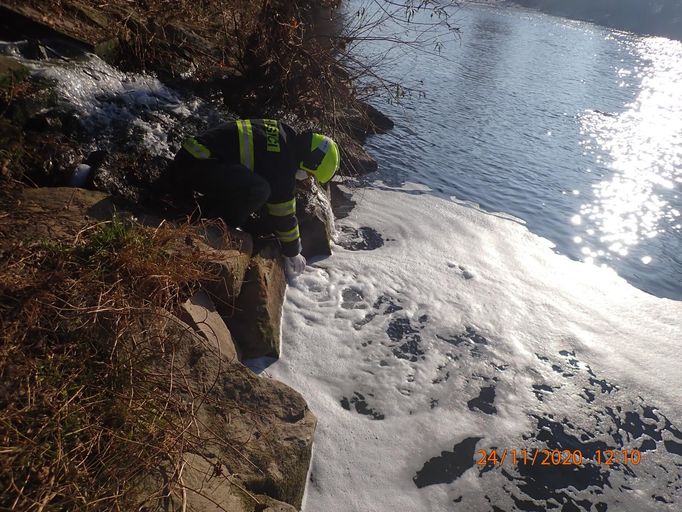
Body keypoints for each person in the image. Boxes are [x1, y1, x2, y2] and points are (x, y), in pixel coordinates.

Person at [170, 119, 340, 276]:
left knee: (260, 189)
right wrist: (293, 252)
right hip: (197, 164)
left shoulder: (283, 135)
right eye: (310, 174)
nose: (308, 179)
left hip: (197, 156)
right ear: (309, 161)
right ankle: (215, 227)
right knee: (259, 190)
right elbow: (283, 213)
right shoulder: (283, 162)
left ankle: (205, 209)